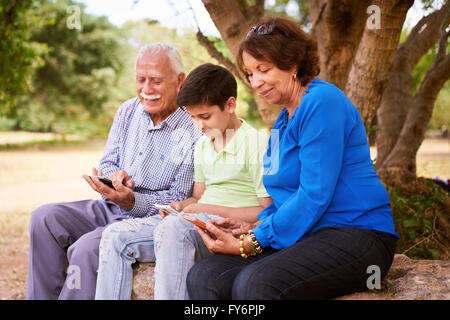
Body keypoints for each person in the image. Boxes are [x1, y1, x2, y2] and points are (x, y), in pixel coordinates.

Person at [186, 16, 400, 300]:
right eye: (250, 74)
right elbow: (282, 198)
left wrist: (252, 242)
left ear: (293, 63)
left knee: (255, 285)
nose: (256, 82)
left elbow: (314, 194)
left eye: (264, 69)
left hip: (358, 234)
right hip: (306, 234)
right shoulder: (278, 128)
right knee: (206, 276)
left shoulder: (322, 102)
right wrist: (253, 226)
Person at [26, 43, 202, 300]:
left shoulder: (193, 126)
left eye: (155, 81)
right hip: (109, 207)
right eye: (140, 80)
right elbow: (107, 162)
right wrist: (116, 177)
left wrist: (132, 201)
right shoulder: (128, 111)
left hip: (148, 220)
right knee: (44, 218)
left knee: (86, 248)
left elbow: (178, 198)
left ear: (180, 81)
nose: (146, 89)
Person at [94, 63, 272, 300]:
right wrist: (179, 206)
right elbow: (196, 198)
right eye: (193, 117)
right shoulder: (202, 144)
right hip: (194, 221)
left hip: (227, 226)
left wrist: (201, 209)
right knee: (114, 235)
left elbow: (267, 211)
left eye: (205, 116)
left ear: (230, 105)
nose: (199, 125)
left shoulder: (258, 145)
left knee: (173, 229)